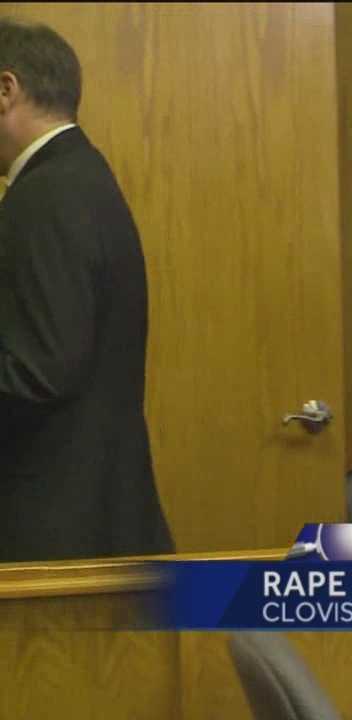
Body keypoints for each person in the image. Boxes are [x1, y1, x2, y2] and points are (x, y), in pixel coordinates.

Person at [0, 18, 173, 562]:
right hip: (94, 520)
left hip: (55, 537)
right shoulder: (79, 176)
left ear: (6, 89)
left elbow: (39, 372)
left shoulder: (45, 196)